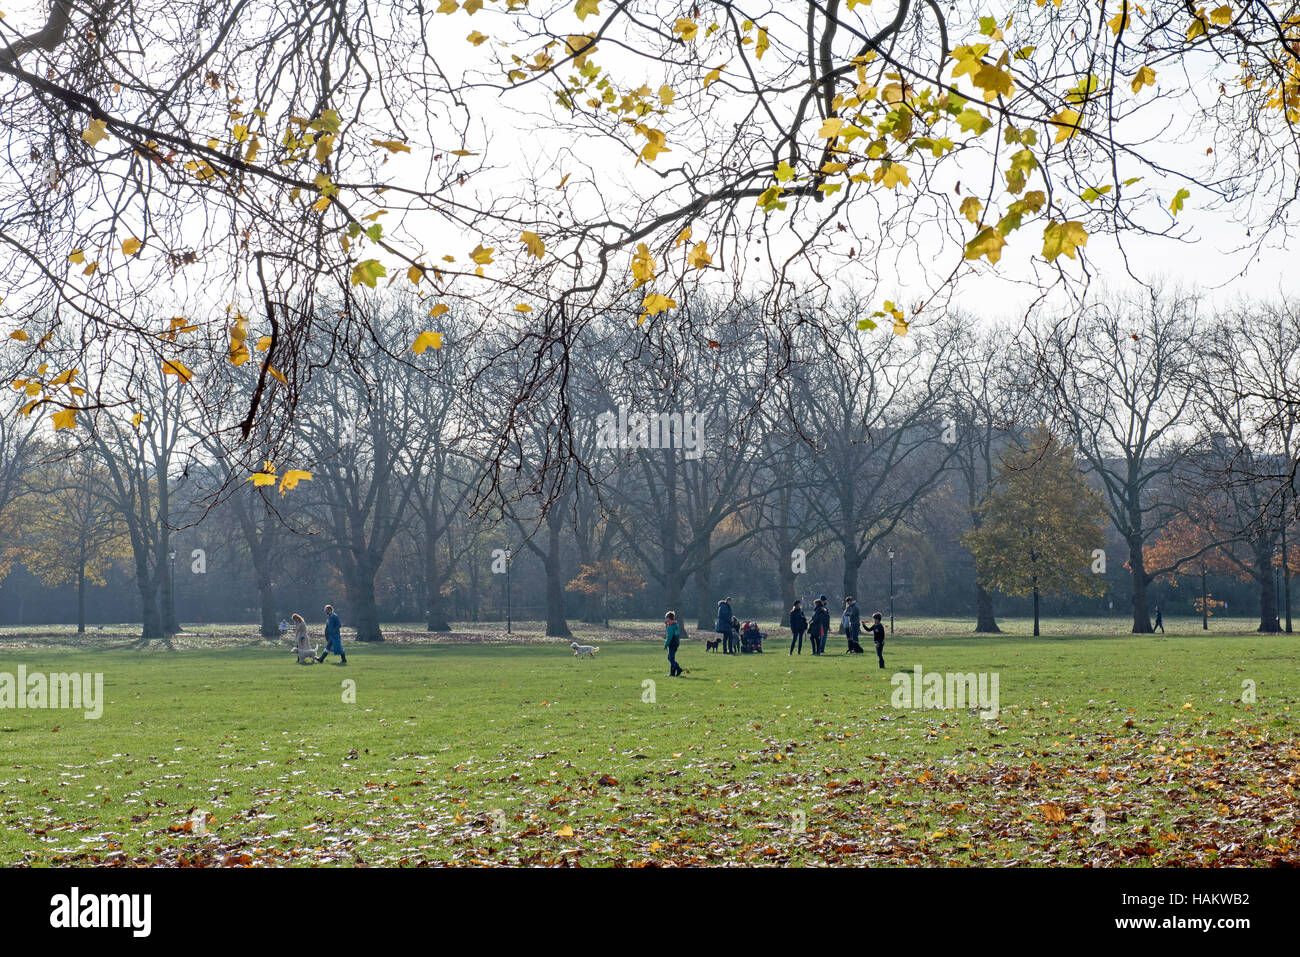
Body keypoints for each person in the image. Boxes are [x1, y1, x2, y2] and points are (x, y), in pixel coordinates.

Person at [664, 611, 686, 677]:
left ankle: (676, 670)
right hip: (676, 643)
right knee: (670, 657)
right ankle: (675, 671)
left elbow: (669, 637)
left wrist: (666, 645)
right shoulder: (676, 625)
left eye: (666, 618)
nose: (665, 620)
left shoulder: (670, 627)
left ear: (669, 618)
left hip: (672, 643)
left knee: (671, 658)